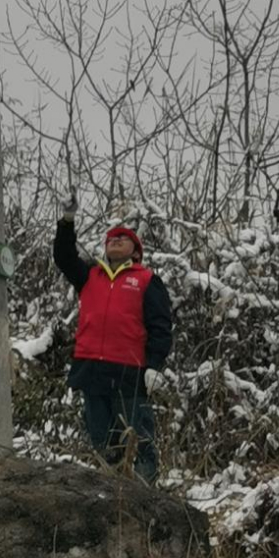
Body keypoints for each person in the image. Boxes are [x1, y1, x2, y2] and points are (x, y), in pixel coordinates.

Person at [53, 199, 172, 482]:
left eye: (124, 238)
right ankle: (111, 493)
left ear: (136, 250)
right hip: (92, 368)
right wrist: (67, 220)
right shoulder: (89, 275)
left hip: (130, 372)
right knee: (102, 441)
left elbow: (161, 326)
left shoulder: (146, 280)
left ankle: (143, 496)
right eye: (112, 238)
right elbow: (63, 256)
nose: (116, 240)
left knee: (138, 440)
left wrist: (155, 365)